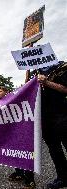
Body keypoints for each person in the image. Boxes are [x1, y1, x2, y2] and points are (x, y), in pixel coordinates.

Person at [37, 61, 67, 189]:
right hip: (46, 118)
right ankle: (63, 178)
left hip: (63, 115)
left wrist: (46, 82)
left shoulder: (62, 68)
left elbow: (65, 89)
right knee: (55, 151)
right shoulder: (36, 72)